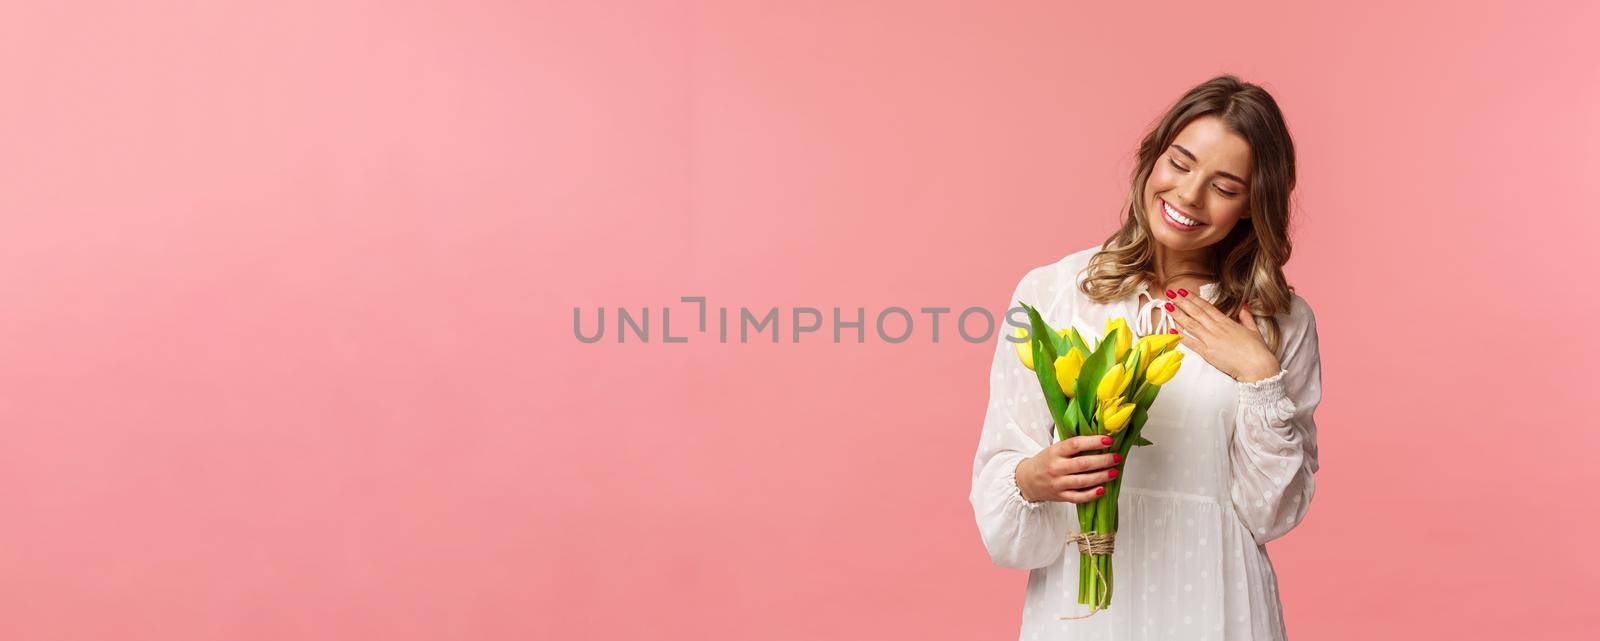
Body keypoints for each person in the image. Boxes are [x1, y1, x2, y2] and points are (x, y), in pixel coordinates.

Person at [968, 75, 1323, 641]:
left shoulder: (1280, 320)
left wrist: (1260, 377)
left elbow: (1268, 515)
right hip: (1082, 608)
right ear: (1152, 156)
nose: (1188, 195)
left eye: (1224, 186)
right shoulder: (1054, 293)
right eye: (1180, 163)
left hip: (1218, 602)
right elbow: (1000, 495)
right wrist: (1035, 477)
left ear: (1253, 208)